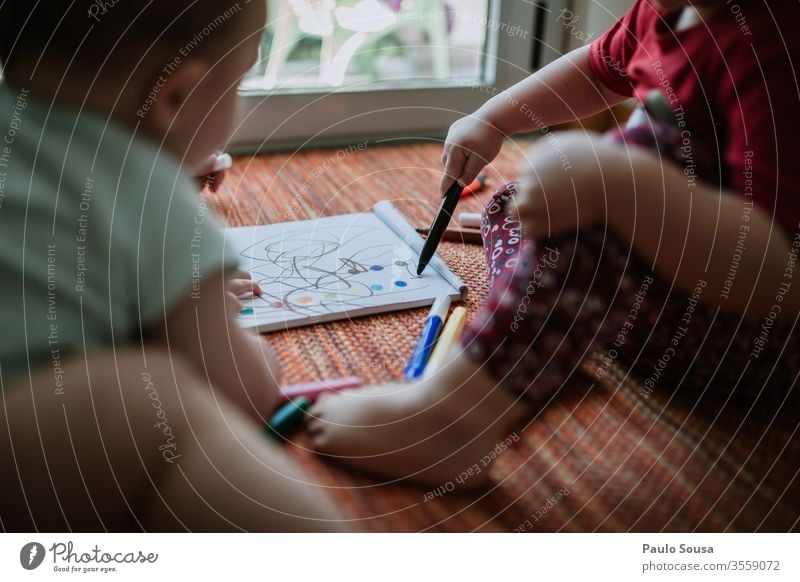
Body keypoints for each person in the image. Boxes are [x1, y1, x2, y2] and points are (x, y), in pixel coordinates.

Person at [309, 0, 800, 487]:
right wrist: (494, 118)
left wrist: (626, 186)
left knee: (621, 171)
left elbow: (782, 277)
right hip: (648, 317)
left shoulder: (777, 45)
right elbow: (596, 69)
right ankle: (545, 331)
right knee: (518, 201)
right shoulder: (670, 8)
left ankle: (456, 419)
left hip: (754, 349)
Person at [0, 0, 343, 531]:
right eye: (242, 81)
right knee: (150, 399)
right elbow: (240, 392)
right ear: (176, 97)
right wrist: (209, 325)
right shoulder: (149, 194)